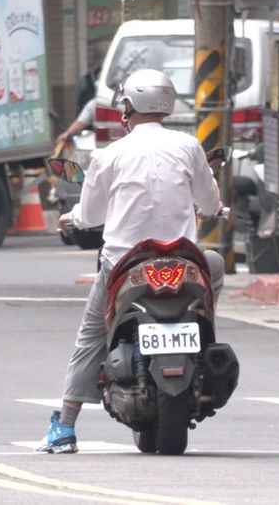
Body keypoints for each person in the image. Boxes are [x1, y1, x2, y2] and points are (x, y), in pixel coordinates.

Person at [38, 69, 225, 454]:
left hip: (125, 263)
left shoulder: (108, 154)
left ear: (128, 107)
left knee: (91, 336)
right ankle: (202, 325)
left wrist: (70, 218)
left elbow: (89, 216)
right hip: (182, 259)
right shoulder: (189, 146)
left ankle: (65, 427)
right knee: (215, 264)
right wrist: (215, 209)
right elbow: (209, 202)